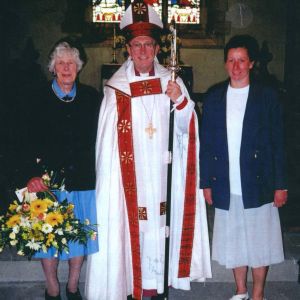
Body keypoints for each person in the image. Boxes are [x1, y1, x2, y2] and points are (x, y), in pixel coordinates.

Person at [85, 0, 211, 299]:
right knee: (133, 231)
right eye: (137, 44)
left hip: (164, 179)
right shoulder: (116, 90)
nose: (142, 51)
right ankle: (131, 286)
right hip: (129, 183)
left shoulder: (172, 81)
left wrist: (181, 101)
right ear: (128, 49)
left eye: (148, 44)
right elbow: (106, 148)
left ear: (157, 49)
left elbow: (187, 129)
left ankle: (157, 286)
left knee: (160, 230)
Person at [200, 34, 288, 300]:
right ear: (225, 64)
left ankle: (258, 293)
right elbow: (207, 144)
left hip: (259, 181)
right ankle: (240, 291)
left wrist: (280, 185)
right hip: (227, 182)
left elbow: (278, 143)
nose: (236, 66)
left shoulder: (267, 96)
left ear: (251, 63)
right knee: (235, 241)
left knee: (260, 242)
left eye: (241, 60)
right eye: (231, 61)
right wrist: (205, 182)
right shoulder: (215, 97)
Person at [27, 40, 100, 300]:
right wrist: (30, 175)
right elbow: (21, 140)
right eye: (61, 63)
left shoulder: (92, 98)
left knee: (78, 236)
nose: (66, 68)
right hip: (46, 183)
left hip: (83, 180)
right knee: (48, 241)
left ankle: (72, 285)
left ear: (78, 68)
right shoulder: (37, 97)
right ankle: (52, 287)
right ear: (53, 68)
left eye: (71, 63)